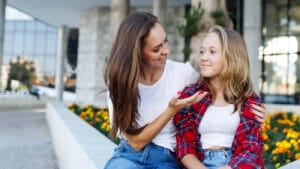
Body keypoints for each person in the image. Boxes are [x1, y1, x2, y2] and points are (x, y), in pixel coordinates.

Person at [104, 12, 266, 169]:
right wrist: (171, 110)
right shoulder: (120, 82)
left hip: (170, 157)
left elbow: (250, 146)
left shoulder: (186, 76)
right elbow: (140, 142)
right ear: (138, 53)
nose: (166, 50)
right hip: (131, 153)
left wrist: (257, 114)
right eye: (156, 49)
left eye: (165, 42)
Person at [174, 25, 264, 169]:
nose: (203, 57)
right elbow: (184, 143)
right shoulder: (190, 95)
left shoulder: (249, 99)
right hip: (199, 164)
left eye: (212, 52)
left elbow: (251, 148)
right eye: (202, 51)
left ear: (231, 57)